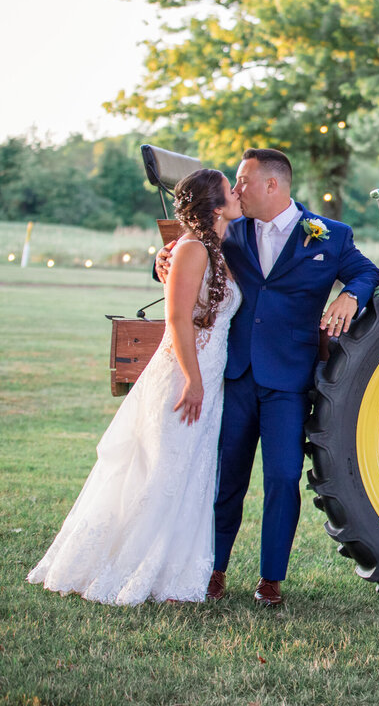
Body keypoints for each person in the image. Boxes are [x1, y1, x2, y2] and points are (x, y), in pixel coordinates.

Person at [159, 148, 379, 607]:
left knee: (282, 479)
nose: (236, 190)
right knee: (227, 480)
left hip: (289, 380)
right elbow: (184, 261)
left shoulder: (330, 235)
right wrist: (159, 263)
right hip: (235, 374)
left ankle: (271, 580)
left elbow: (367, 273)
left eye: (244, 181)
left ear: (272, 186)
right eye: (235, 183)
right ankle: (213, 571)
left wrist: (350, 298)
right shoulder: (228, 230)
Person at [28, 169, 243, 604]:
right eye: (230, 188)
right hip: (183, 379)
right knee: (162, 470)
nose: (238, 192)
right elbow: (177, 319)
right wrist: (193, 380)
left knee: (189, 475)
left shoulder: (219, 248)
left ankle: (174, 576)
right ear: (217, 206)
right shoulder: (192, 249)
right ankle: (126, 568)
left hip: (209, 376)